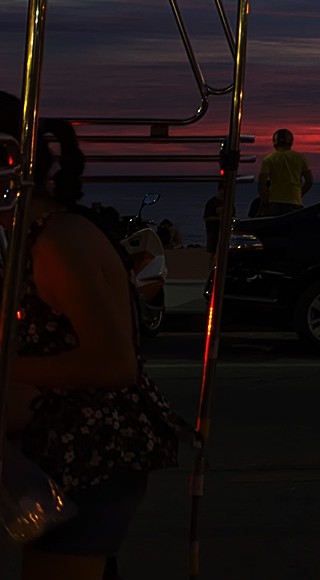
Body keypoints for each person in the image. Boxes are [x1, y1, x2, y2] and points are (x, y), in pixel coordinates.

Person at [0, 92, 180, 578]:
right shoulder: (29, 237)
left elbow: (112, 363)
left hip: (92, 454)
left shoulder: (58, 242)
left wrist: (6, 368)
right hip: (60, 452)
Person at [256, 128, 313, 217]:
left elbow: (261, 181)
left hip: (274, 203)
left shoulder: (269, 159)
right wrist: (299, 194)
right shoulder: (300, 158)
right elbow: (309, 181)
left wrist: (264, 199)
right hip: (294, 202)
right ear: (291, 141)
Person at [203, 184, 232, 253]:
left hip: (225, 232)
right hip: (213, 232)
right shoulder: (211, 203)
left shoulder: (228, 202)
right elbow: (206, 218)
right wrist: (219, 219)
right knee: (213, 252)